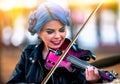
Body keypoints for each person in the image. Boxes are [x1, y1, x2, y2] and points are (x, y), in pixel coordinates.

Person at [7, 1, 102, 84]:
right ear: (39, 32)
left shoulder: (75, 55)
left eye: (62, 30)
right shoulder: (28, 53)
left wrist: (91, 82)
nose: (58, 36)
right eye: (50, 32)